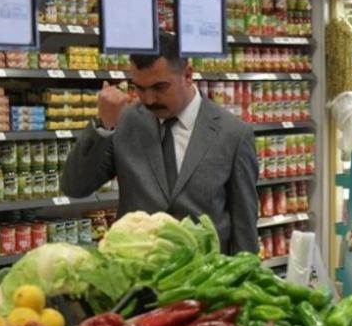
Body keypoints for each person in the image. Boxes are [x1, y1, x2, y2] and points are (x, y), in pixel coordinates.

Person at [60, 33, 259, 254]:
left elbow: (245, 226)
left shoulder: (233, 133)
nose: (149, 99)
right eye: (140, 88)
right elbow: (74, 187)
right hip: (136, 276)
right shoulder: (126, 122)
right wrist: (103, 126)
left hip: (203, 279)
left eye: (160, 87)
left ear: (188, 75)